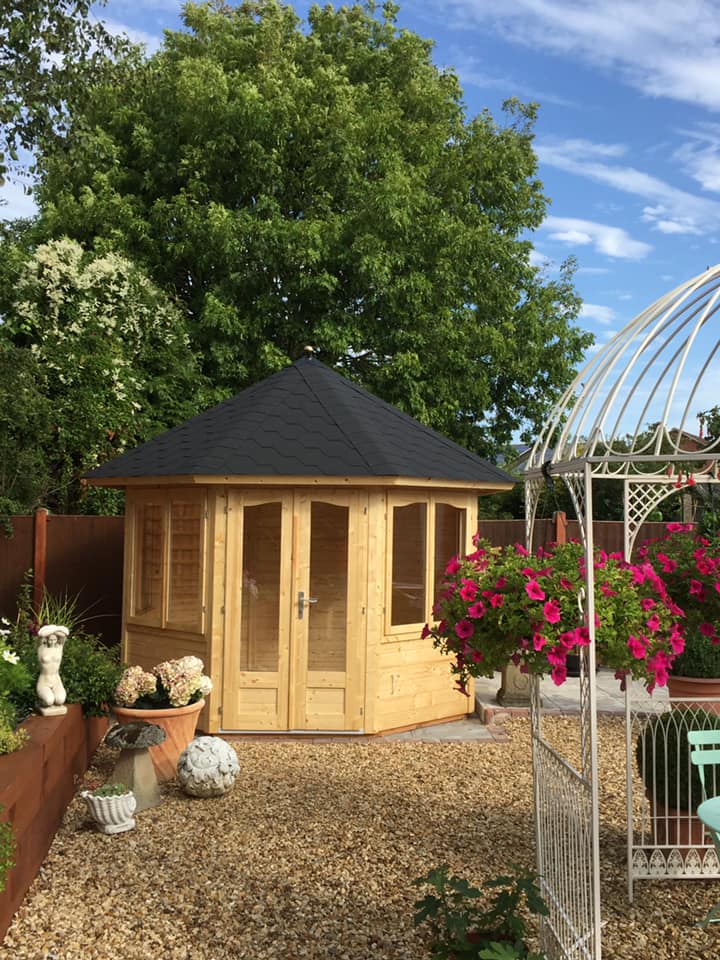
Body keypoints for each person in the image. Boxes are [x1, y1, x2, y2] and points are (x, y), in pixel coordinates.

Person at [36, 624, 69, 712]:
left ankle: (53, 697)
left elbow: (65, 632)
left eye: (54, 639)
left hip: (56, 681)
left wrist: (54, 630)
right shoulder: (41, 648)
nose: (52, 642)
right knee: (49, 701)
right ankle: (42, 701)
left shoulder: (59, 648)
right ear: (47, 639)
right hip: (44, 682)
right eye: (50, 639)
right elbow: (41, 634)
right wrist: (54, 630)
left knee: (60, 700)